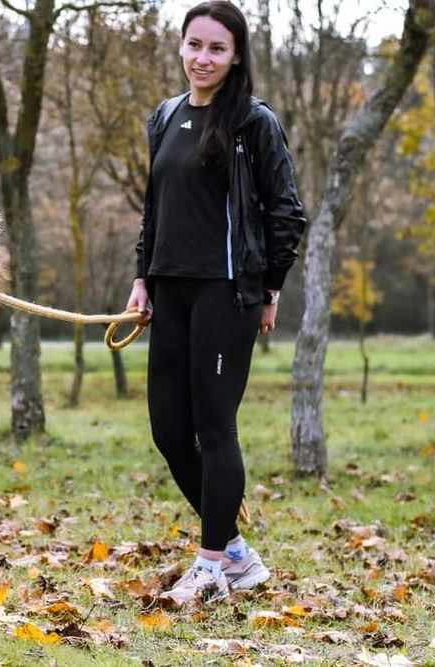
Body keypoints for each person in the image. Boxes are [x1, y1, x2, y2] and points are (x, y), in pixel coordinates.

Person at [125, 0, 306, 605]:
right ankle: (235, 554)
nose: (203, 58)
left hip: (227, 292)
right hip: (168, 290)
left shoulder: (253, 121)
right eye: (195, 45)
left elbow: (286, 212)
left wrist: (269, 287)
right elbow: (154, 209)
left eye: (217, 49)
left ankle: (209, 568)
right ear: (181, 46)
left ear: (235, 56)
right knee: (168, 430)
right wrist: (142, 277)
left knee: (213, 427)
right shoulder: (165, 116)